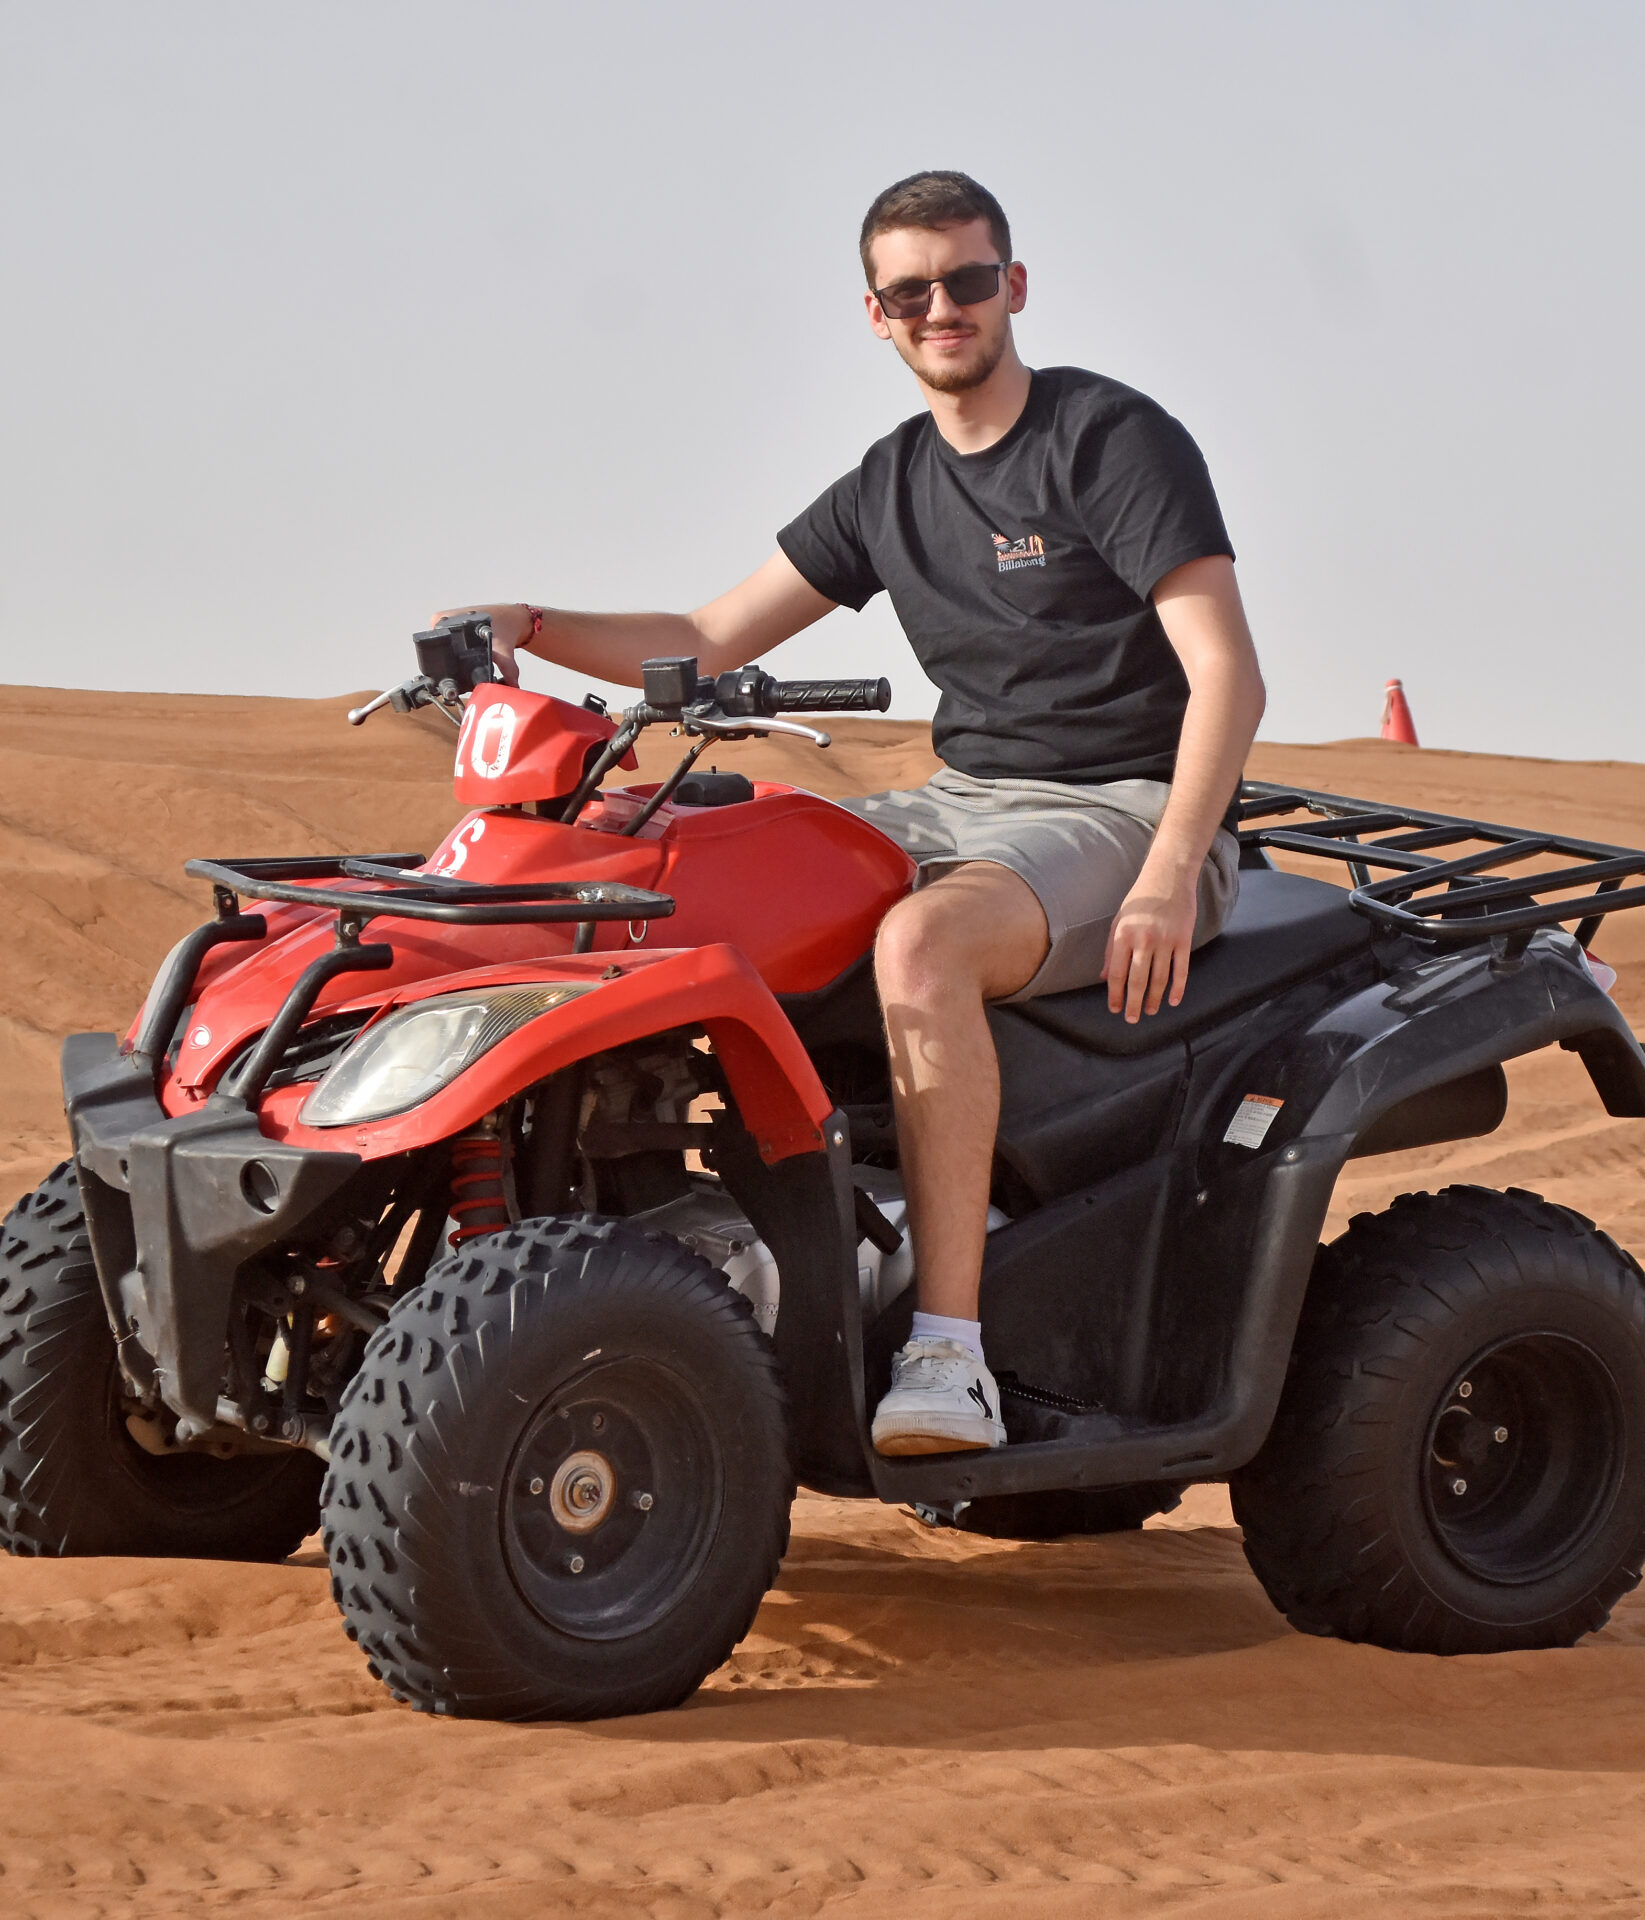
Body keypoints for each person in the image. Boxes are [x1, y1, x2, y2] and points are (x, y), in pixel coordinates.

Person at [437, 170, 1265, 1456]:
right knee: (688, 873)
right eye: (913, 291)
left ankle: (949, 1353)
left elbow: (1226, 671)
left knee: (920, 948)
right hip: (966, 801)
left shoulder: (1108, 440)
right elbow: (708, 635)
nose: (945, 308)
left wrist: (1167, 870)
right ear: (875, 316)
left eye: (968, 280)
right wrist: (528, 625)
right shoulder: (890, 483)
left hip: (1125, 803)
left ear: (1015, 288)